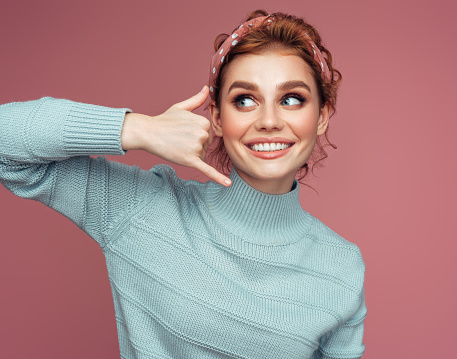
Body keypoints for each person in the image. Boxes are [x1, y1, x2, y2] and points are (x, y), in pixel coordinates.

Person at [0, 9, 366, 359]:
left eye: (291, 99)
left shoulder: (342, 266)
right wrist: (139, 129)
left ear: (322, 116)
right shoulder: (142, 207)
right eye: (245, 100)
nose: (269, 120)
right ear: (218, 119)